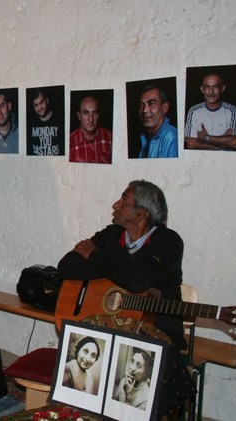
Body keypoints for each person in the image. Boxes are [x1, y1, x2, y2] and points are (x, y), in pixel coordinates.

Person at [57, 180, 194, 417]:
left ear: (141, 213)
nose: (115, 205)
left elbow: (137, 281)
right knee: (82, 362)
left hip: (156, 333)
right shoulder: (112, 235)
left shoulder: (169, 242)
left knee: (133, 378)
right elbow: (66, 266)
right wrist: (116, 269)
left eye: (124, 200)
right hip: (109, 329)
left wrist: (94, 256)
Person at [184, 73, 236, 150]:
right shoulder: (194, 110)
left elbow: (234, 143)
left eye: (215, 87)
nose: (211, 91)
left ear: (222, 89)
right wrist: (221, 143)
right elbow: (191, 144)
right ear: (202, 89)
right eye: (207, 87)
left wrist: (206, 138)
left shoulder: (232, 110)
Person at [137, 85, 178, 158]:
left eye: (151, 104)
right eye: (141, 105)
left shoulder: (171, 138)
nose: (145, 110)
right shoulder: (143, 138)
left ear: (165, 107)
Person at [69, 96, 112, 164]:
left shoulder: (111, 137)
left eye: (94, 113)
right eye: (86, 113)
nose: (91, 119)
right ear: (79, 115)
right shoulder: (69, 142)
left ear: (99, 114)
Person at [27, 88, 63, 156]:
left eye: (42, 102)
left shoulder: (60, 120)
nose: (39, 107)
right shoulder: (30, 124)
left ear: (47, 100)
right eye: (36, 105)